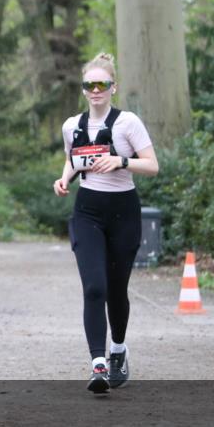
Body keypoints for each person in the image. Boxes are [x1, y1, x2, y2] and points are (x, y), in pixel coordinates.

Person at [53, 53, 159, 394]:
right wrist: (64, 178)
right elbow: (74, 159)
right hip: (87, 211)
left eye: (102, 84)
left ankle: (118, 350)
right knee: (94, 287)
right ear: (83, 89)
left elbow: (152, 165)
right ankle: (97, 363)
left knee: (116, 289)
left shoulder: (127, 123)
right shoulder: (72, 125)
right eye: (89, 85)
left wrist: (120, 160)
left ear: (114, 87)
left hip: (123, 210)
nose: (96, 90)